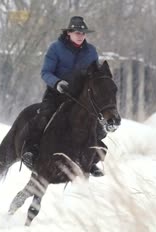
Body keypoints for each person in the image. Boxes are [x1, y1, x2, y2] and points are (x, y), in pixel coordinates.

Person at [23, 16, 106, 177]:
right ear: (69, 33)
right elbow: (45, 72)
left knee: (98, 126)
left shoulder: (92, 51)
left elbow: (95, 75)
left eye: (83, 33)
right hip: (56, 93)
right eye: (77, 32)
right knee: (44, 116)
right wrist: (57, 83)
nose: (80, 35)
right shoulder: (55, 48)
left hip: (80, 98)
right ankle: (31, 151)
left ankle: (91, 161)